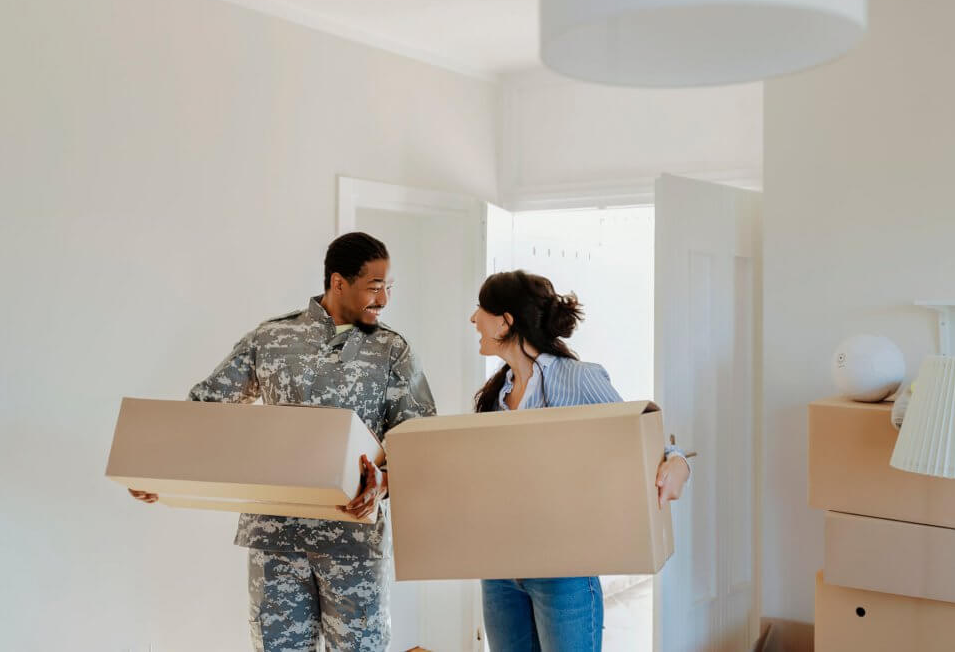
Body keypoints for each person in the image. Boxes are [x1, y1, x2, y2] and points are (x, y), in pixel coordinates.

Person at [128, 232, 436, 652]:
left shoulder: (392, 350)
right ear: (338, 282)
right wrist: (154, 471)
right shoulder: (270, 339)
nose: (384, 299)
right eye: (375, 286)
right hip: (275, 540)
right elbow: (205, 408)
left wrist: (381, 484)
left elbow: (418, 442)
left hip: (352, 541)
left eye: (388, 287)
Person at [469, 270, 691, 652]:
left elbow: (644, 437)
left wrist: (678, 464)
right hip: (500, 571)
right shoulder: (496, 394)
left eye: (481, 310)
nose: (473, 319)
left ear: (506, 322)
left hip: (563, 572)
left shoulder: (577, 379)